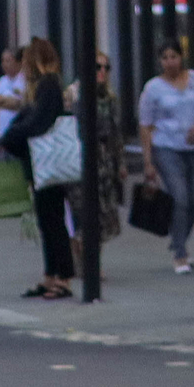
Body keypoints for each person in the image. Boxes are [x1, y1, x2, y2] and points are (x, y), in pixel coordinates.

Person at [2, 38, 72, 298]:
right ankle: (51, 275)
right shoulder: (40, 88)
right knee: (46, 220)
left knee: (53, 221)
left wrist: (12, 136)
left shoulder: (49, 86)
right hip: (40, 163)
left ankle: (62, 278)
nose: (23, 68)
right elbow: (29, 118)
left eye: (26, 62)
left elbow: (38, 121)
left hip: (50, 163)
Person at [136, 41, 194, 273]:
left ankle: (178, 238)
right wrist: (148, 162)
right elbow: (145, 125)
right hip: (167, 147)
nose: (170, 61)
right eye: (165, 57)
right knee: (180, 197)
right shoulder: (153, 88)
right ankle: (180, 253)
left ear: (181, 57)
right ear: (160, 61)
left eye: (174, 56)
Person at [65, 54, 127, 252]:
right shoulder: (74, 93)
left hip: (103, 160)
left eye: (106, 68)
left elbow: (115, 133)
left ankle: (91, 255)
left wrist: (120, 163)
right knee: (83, 209)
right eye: (97, 66)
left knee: (102, 212)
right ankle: (82, 252)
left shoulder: (109, 97)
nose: (102, 71)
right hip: (79, 158)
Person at [0, 48, 27, 147]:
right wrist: (8, 100)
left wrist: (1, 101)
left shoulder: (24, 80)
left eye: (8, 61)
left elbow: (19, 104)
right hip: (1, 134)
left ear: (18, 63)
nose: (4, 64)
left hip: (17, 136)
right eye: (3, 61)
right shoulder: (3, 80)